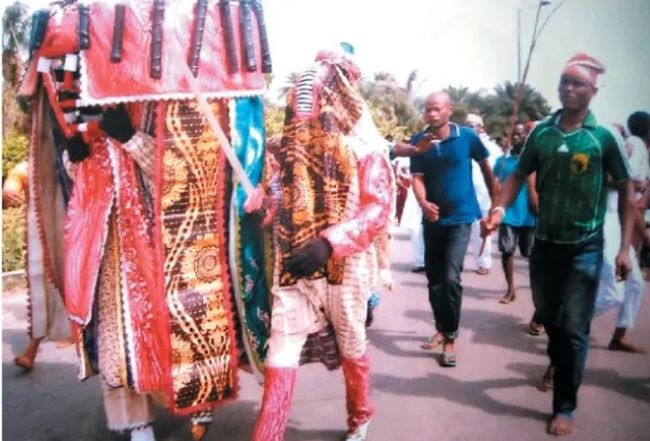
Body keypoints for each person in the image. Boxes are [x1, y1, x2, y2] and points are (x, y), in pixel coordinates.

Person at [482, 53, 634, 437]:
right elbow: (519, 174)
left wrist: (623, 248)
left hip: (584, 245)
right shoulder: (542, 133)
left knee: (573, 327)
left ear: (593, 91)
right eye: (564, 82)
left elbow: (626, 191)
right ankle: (561, 358)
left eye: (577, 83)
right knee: (548, 317)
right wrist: (499, 207)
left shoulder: (604, 138)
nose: (568, 89)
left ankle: (565, 404)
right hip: (545, 243)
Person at [246, 49, 394, 441]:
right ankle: (268, 434)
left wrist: (329, 244)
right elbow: (276, 198)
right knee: (281, 353)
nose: (308, 99)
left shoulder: (366, 150)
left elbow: (376, 209)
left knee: (352, 348)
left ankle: (360, 417)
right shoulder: (281, 147)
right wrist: (262, 203)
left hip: (345, 273)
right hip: (293, 267)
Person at [404, 92, 495, 366]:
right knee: (434, 281)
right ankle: (441, 328)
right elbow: (416, 178)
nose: (431, 114)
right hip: (432, 220)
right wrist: (423, 202)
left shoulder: (466, 136)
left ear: (449, 110)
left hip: (461, 218)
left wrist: (494, 207)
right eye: (427, 110)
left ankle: (450, 338)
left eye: (436, 109)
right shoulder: (418, 142)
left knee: (450, 278)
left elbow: (487, 169)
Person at [593, 111, 650, 353]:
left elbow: (633, 207)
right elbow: (605, 176)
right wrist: (629, 184)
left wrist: (645, 238)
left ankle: (619, 336)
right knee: (613, 292)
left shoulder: (642, 153)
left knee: (636, 283)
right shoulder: (634, 145)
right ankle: (567, 325)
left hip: (619, 225)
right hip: (607, 222)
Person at [493, 123, 537, 305]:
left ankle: (537, 293)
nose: (517, 137)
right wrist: (494, 208)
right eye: (514, 135)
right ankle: (510, 289)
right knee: (507, 251)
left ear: (527, 137)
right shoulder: (502, 162)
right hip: (509, 213)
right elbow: (496, 185)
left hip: (529, 214)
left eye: (521, 134)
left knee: (531, 255)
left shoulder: (535, 161)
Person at [466, 113, 503, 275]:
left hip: (484, 195)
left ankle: (483, 262)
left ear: (481, 127)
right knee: (461, 230)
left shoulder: (493, 148)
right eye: (467, 125)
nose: (470, 127)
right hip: (465, 194)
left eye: (473, 125)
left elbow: (500, 171)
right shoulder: (462, 144)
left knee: (483, 231)